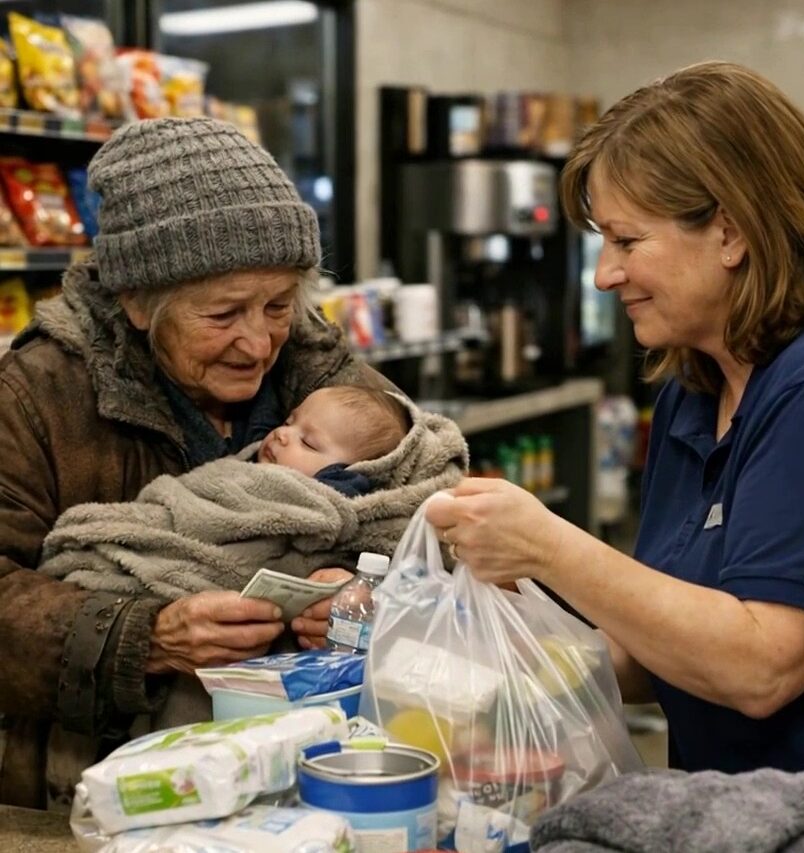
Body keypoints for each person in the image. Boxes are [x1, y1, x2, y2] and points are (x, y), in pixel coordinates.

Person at [426, 61, 804, 775]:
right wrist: (487, 666)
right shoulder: (691, 391)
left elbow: (763, 666)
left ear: (731, 234)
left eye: (627, 241)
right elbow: (665, 651)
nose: (603, 274)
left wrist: (548, 547)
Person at [0, 116, 394, 810]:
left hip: (310, 778)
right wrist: (142, 636)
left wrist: (364, 591)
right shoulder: (36, 396)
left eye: (277, 304)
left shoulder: (323, 372)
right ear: (138, 303)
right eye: (223, 314)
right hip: (97, 793)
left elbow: (439, 518)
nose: (258, 341)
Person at [39, 383, 465, 605]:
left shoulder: (345, 505)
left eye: (309, 443)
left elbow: (412, 568)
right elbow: (193, 501)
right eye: (291, 420)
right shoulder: (247, 471)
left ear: (355, 473)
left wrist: (362, 589)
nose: (281, 434)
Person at [256, 384, 411, 496]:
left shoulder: (324, 506)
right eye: (288, 422)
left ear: (345, 475)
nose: (281, 433)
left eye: (307, 442)